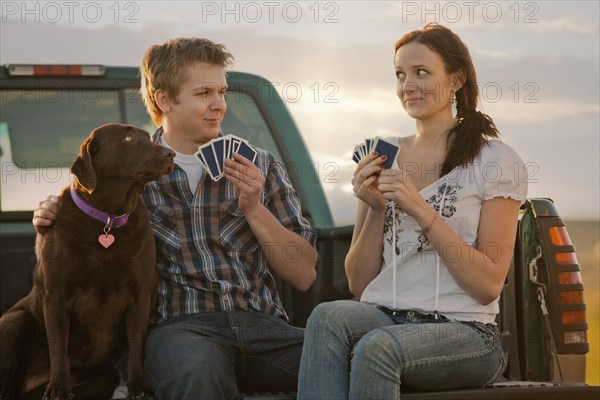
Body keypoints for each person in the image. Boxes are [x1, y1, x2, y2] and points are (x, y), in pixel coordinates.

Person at [32, 38, 317, 399]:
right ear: (164, 99)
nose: (219, 105)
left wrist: (254, 208)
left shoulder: (261, 165)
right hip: (181, 331)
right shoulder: (124, 173)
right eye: (204, 93)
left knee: (346, 360)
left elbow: (304, 275)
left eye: (222, 92)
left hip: (264, 328)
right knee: (197, 373)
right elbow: (80, 214)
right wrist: (49, 214)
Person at [297, 23, 528, 399]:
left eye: (422, 72)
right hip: (386, 315)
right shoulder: (383, 155)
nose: (408, 85)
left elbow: (487, 286)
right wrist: (374, 209)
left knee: (377, 347)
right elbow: (359, 284)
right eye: (400, 74)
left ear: (455, 80)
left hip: (465, 332)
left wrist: (419, 208)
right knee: (327, 317)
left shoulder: (495, 161)